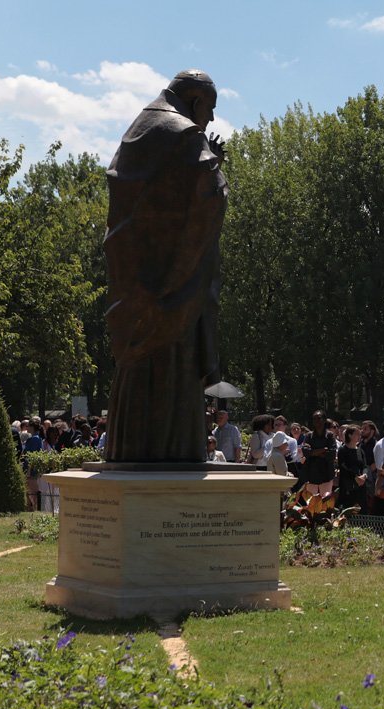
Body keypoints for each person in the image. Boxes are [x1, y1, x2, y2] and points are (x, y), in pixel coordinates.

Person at [102, 71, 227, 463]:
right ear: (195, 103)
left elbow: (145, 201)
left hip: (137, 282)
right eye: (208, 111)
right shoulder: (185, 133)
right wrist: (214, 170)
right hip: (174, 289)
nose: (208, 121)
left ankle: (133, 448)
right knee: (172, 368)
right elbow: (207, 197)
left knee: (138, 370)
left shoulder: (140, 127)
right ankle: (173, 451)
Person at [300, 411, 337, 496]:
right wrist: (323, 450)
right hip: (311, 474)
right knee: (310, 503)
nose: (316, 421)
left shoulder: (330, 436)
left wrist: (313, 452)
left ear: (324, 420)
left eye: (319, 418)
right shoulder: (308, 436)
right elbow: (306, 452)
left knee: (325, 501)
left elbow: (332, 454)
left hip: (326, 474)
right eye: (314, 419)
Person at [336, 425, 368, 510]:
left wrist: (364, 475)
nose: (359, 436)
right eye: (357, 434)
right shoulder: (343, 450)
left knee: (362, 508)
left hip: (361, 483)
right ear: (350, 435)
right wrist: (355, 477)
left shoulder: (360, 450)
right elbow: (343, 466)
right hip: (348, 484)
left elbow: (364, 465)